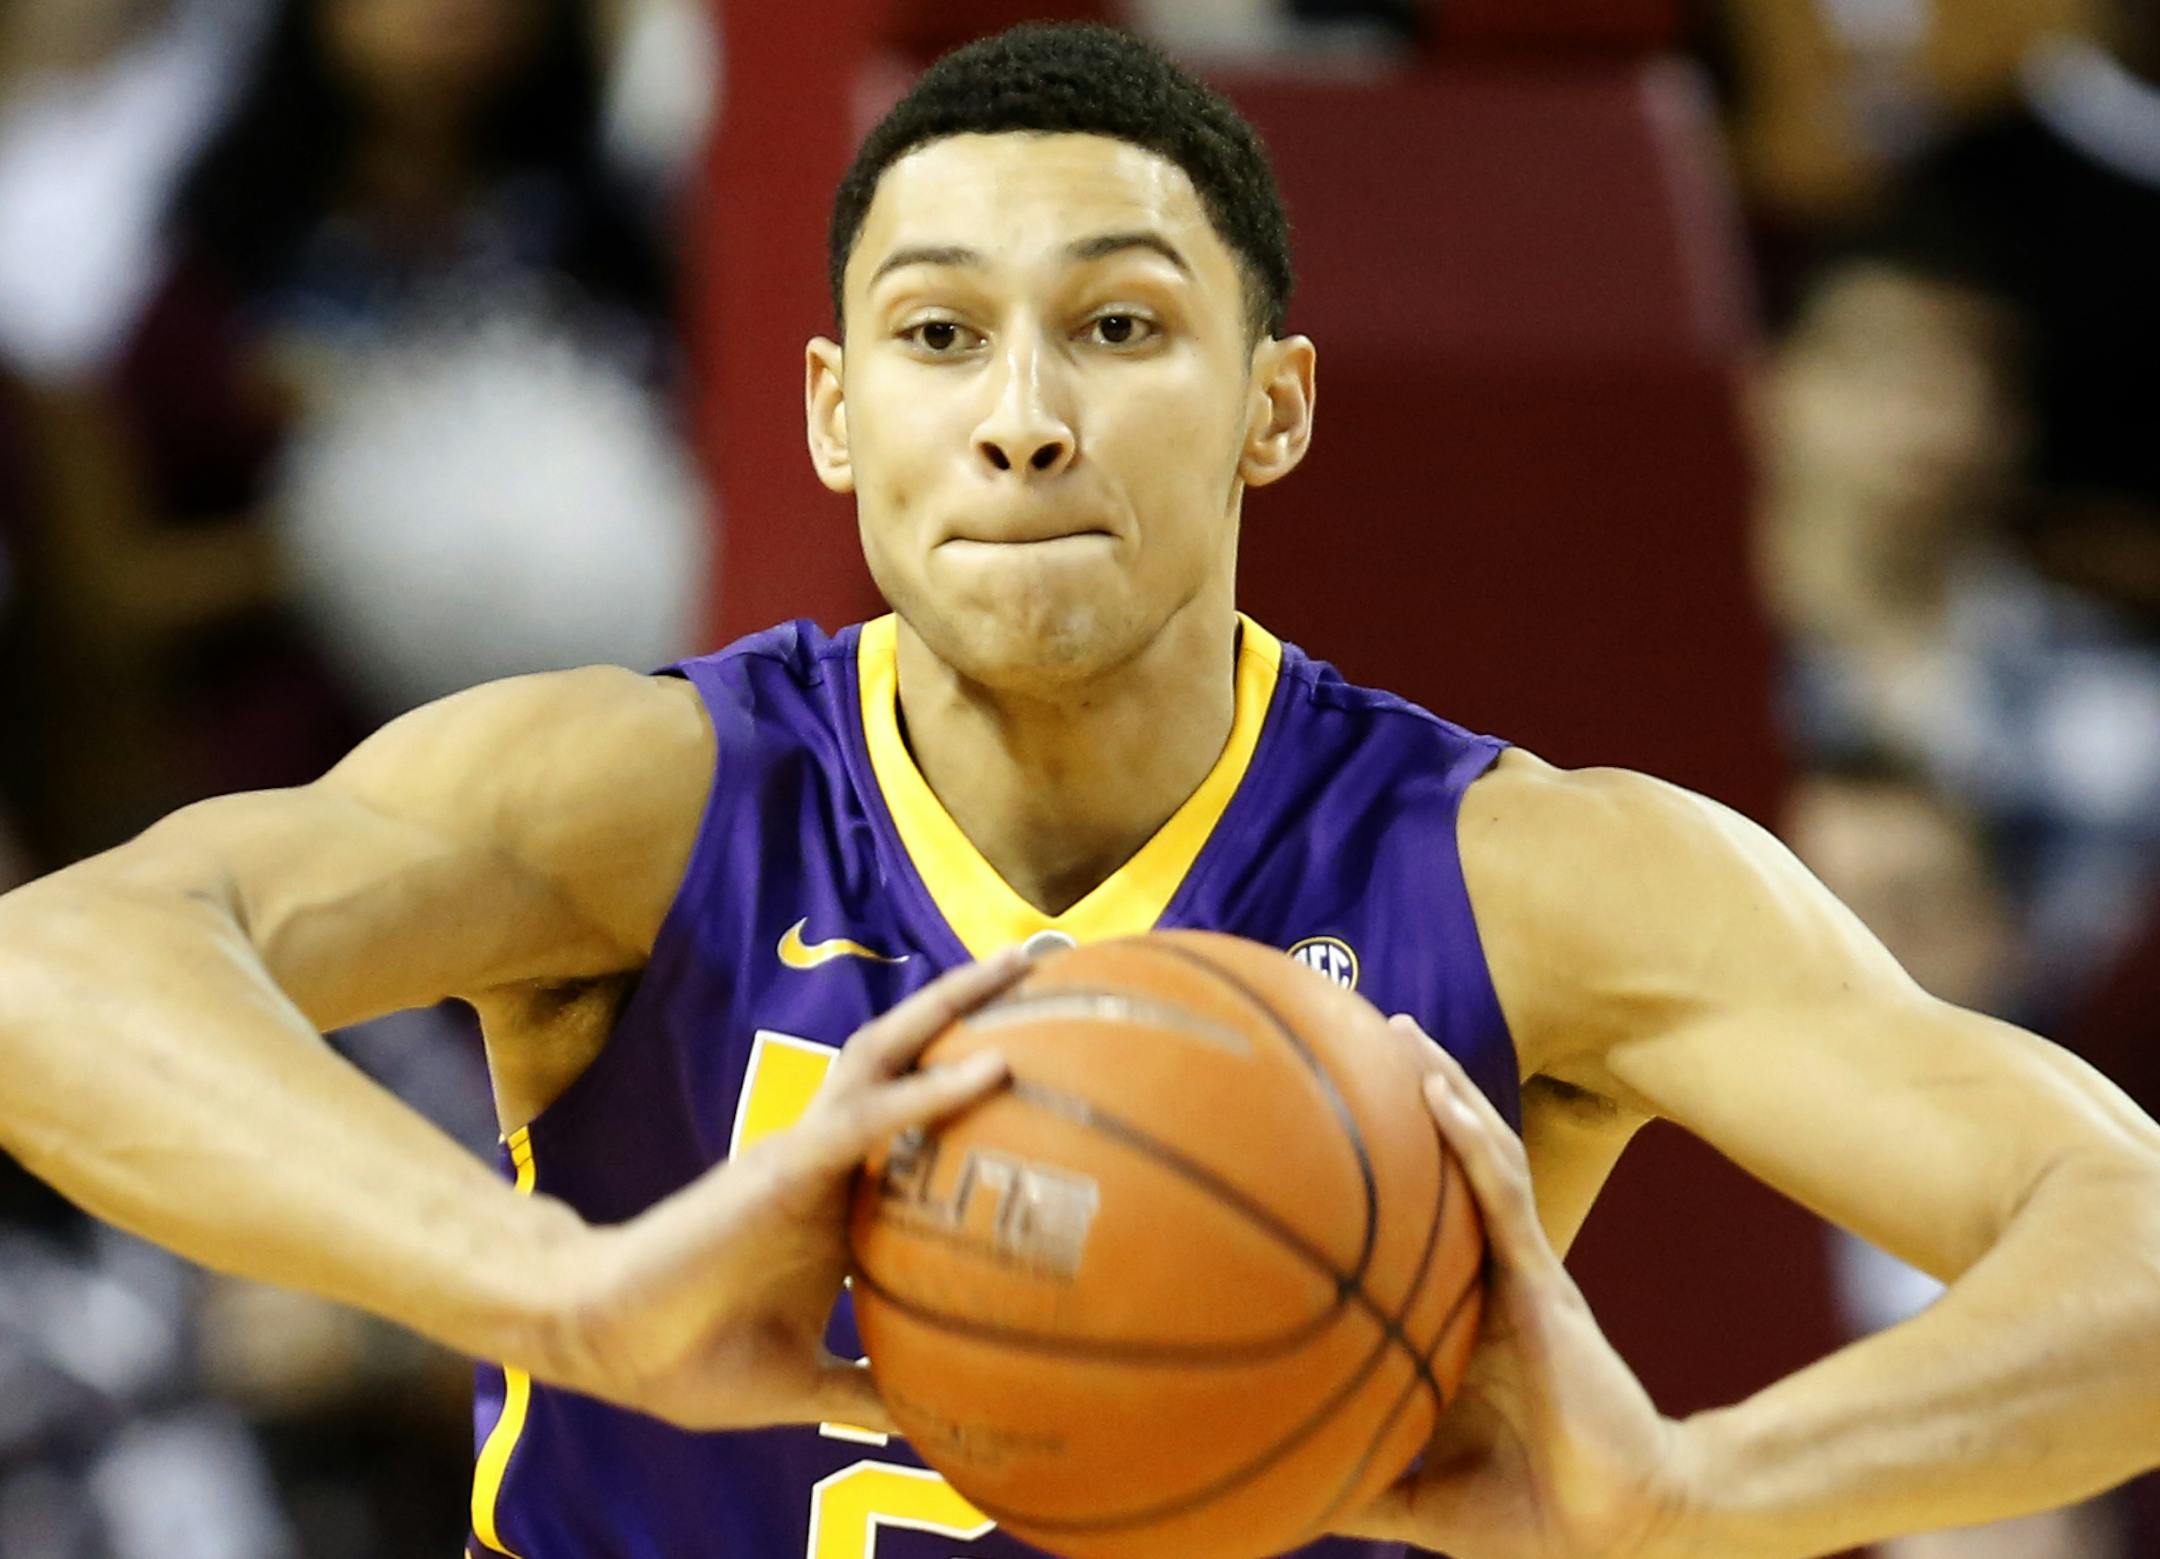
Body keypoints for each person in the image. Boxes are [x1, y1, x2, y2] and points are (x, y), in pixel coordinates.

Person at [0, 22, 2156, 1559]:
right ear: (835, 417)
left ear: (1274, 405)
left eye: (1121, 331)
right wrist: (546, 1288)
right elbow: (53, 973)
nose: (1023, 417)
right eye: (939, 339)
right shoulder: (638, 800)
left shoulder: (1532, 877)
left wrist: (1706, 1500)